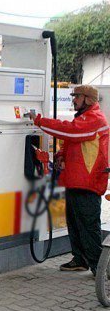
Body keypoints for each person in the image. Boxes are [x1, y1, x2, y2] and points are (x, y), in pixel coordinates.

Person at [31, 85, 109, 275]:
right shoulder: (84, 118)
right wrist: (61, 156)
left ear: (87, 99)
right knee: (74, 223)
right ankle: (80, 260)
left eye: (77, 96)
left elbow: (71, 132)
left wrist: (40, 121)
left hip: (88, 182)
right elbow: (74, 142)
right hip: (75, 180)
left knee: (88, 226)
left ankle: (100, 269)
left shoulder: (95, 119)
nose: (73, 99)